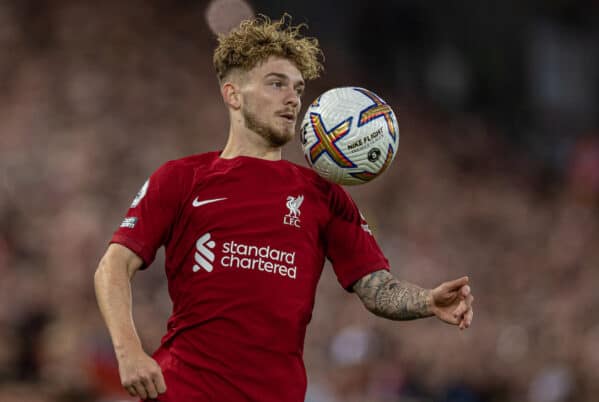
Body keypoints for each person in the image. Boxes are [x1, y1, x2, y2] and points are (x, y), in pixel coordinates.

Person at [94, 14, 474, 402]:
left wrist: (426, 301)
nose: (292, 98)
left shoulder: (324, 196)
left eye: (298, 88)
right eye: (276, 84)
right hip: (184, 391)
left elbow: (377, 289)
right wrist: (129, 353)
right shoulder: (181, 178)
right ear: (233, 95)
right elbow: (113, 266)